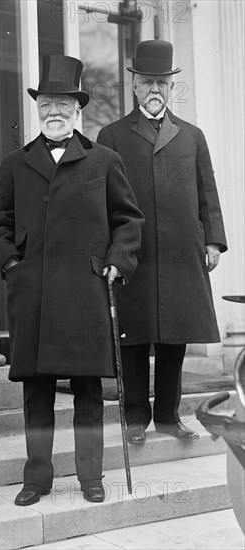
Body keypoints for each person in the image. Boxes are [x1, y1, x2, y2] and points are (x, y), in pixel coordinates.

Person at [0, 54, 144, 505]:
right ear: (38, 110)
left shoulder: (105, 160)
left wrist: (118, 260)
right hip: (32, 296)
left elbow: (129, 220)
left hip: (86, 294)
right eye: (46, 105)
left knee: (88, 392)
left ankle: (91, 477)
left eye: (62, 105)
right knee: (37, 393)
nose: (53, 112)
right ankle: (36, 479)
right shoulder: (15, 164)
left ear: (78, 110)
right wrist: (12, 264)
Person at [97, 40, 227, 445]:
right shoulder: (112, 134)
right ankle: (135, 418)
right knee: (133, 336)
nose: (155, 89)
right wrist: (109, 249)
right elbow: (102, 198)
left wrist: (213, 242)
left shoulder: (192, 135)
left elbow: (207, 192)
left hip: (182, 249)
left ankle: (170, 418)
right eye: (147, 82)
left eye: (162, 83)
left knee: (175, 335)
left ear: (171, 89)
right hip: (133, 250)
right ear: (134, 86)